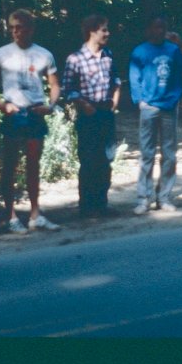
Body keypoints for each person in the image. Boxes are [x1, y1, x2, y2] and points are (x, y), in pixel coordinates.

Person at [0, 9, 62, 234]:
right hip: (14, 114)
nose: (15, 32)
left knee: (33, 165)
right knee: (9, 166)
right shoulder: (1, 54)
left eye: (20, 27)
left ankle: (35, 215)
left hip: (35, 113)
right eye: (12, 28)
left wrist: (51, 104)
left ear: (31, 28)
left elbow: (55, 84)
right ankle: (10, 216)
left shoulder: (43, 54)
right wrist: (1, 105)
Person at [128, 14, 182, 214]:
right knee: (147, 154)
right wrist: (139, 101)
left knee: (169, 154)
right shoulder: (140, 51)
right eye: (155, 27)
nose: (159, 31)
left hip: (169, 106)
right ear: (148, 30)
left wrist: (181, 45)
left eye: (162, 28)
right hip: (149, 106)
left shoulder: (173, 49)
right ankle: (144, 199)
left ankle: (164, 197)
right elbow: (134, 77)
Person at [62, 14, 122, 218]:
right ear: (92, 31)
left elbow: (116, 80)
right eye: (104, 29)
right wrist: (83, 104)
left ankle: (102, 203)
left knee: (106, 160)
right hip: (88, 115)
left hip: (106, 113)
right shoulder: (75, 59)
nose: (108, 33)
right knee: (88, 160)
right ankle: (87, 207)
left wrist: (115, 100)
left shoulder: (108, 55)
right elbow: (68, 89)